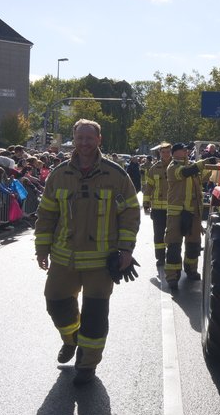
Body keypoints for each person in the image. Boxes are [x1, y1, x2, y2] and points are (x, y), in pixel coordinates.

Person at [35, 119, 141, 386]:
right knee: (55, 302)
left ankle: (87, 365)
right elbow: (46, 214)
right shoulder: (59, 174)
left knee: (95, 315)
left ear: (99, 140)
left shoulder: (116, 175)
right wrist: (41, 248)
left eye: (89, 138)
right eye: (79, 138)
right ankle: (71, 339)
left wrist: (126, 250)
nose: (84, 143)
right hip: (63, 257)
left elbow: (130, 213)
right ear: (74, 139)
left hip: (100, 262)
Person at [163, 143, 214, 290]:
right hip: (177, 213)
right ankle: (172, 276)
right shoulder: (173, 167)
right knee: (174, 245)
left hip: (194, 213)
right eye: (183, 149)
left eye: (186, 149)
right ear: (174, 153)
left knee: (193, 245)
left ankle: (191, 270)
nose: (186, 151)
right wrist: (203, 163)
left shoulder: (192, 166)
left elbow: (203, 177)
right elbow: (184, 172)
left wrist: (212, 167)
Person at [142, 142, 172, 268]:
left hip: (173, 208)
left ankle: (171, 256)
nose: (165, 154)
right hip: (157, 208)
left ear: (171, 152)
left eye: (167, 152)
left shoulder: (176, 167)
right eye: (163, 152)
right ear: (160, 153)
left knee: (172, 235)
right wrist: (146, 202)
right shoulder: (154, 168)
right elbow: (149, 187)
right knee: (158, 234)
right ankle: (160, 257)